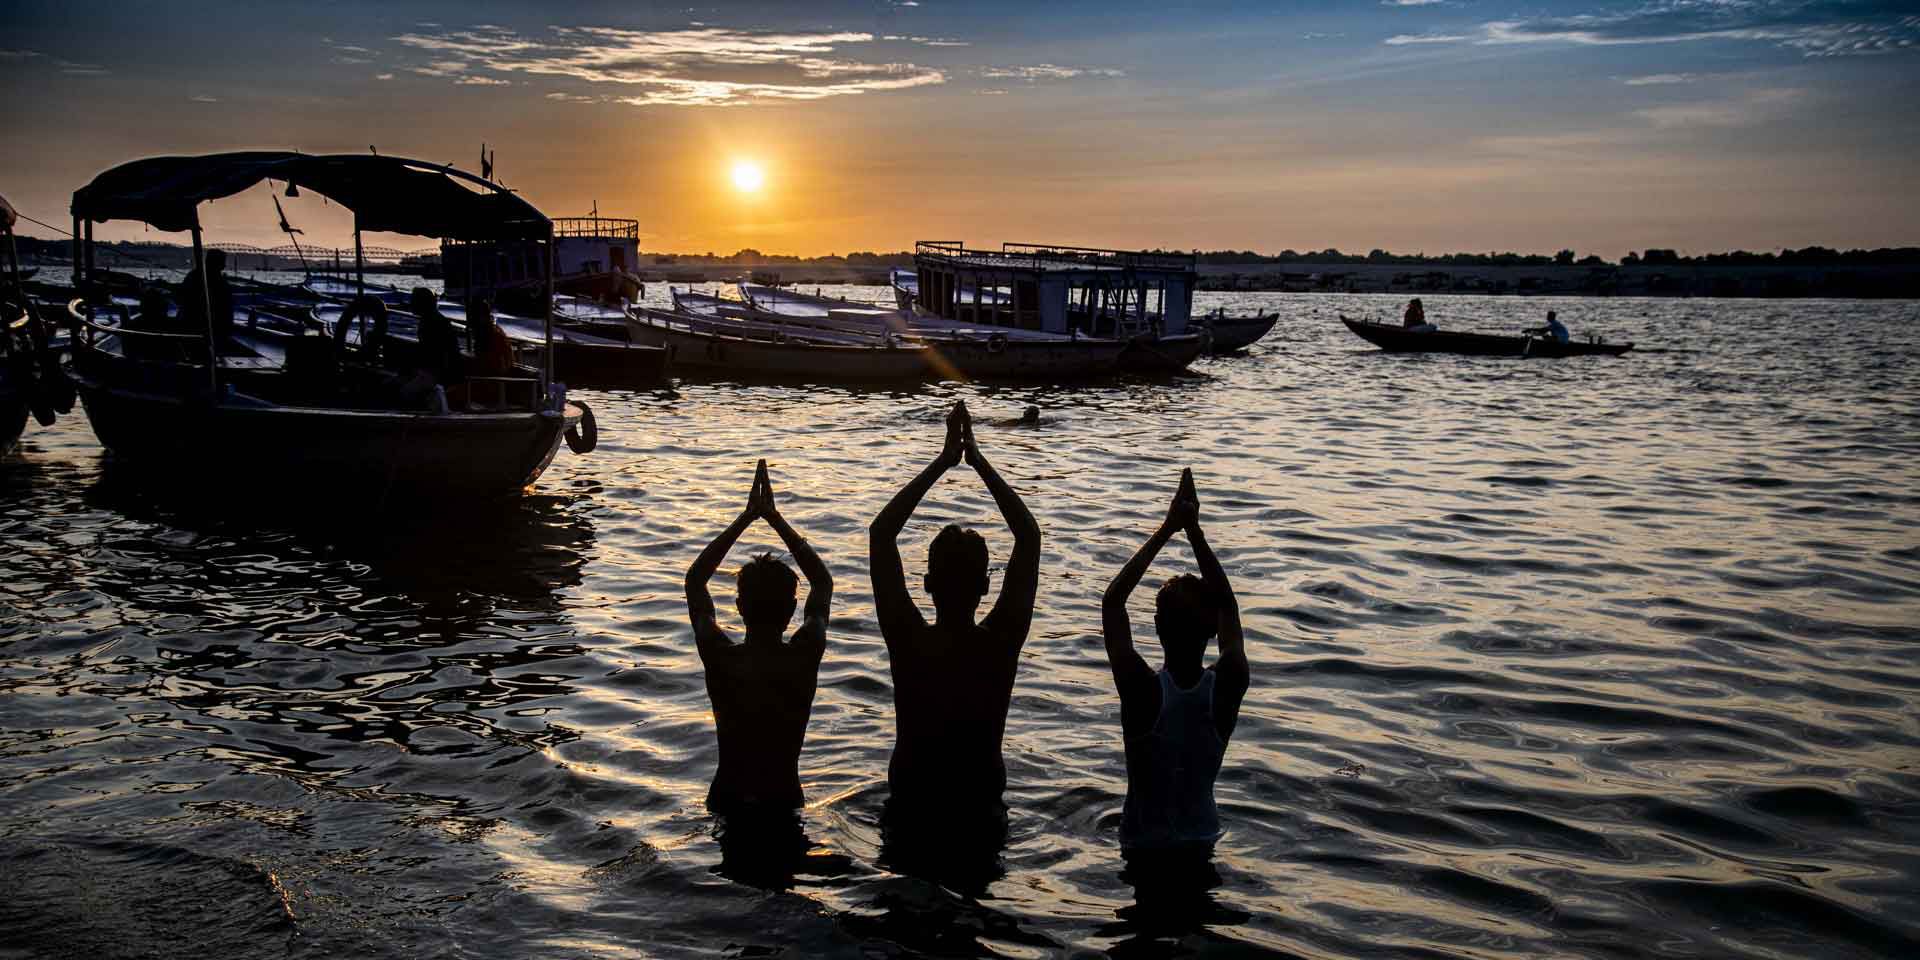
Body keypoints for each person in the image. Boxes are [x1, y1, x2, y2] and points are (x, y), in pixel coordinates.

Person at [869, 400, 1041, 828]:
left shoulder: (909, 641)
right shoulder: (999, 643)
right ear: (985, 586)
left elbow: (881, 534)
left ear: (927, 584)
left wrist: (943, 461)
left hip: (912, 807)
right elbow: (1028, 537)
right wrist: (977, 461)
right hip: (980, 809)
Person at [1101, 468, 1249, 857]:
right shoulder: (1227, 685)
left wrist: (1167, 528)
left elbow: (1113, 603)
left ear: (1156, 628)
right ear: (1213, 630)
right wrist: (1194, 532)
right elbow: (1228, 606)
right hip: (1202, 843)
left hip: (1141, 848)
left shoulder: (1142, 692)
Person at [686, 459, 832, 815]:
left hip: (727, 799)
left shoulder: (721, 657)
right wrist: (774, 518)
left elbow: (695, 581)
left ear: (739, 607)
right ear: (792, 610)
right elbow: (822, 582)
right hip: (783, 800)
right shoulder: (803, 655)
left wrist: (746, 518)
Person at [177, 248, 235, 347]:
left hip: (190, 326)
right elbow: (227, 310)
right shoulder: (221, 283)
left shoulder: (193, 276)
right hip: (209, 329)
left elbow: (180, 298)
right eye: (222, 262)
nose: (224, 266)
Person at [466, 298, 515, 377]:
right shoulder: (490, 330)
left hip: (494, 378)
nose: (470, 320)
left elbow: (496, 366)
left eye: (473, 316)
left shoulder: (491, 335)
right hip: (491, 375)